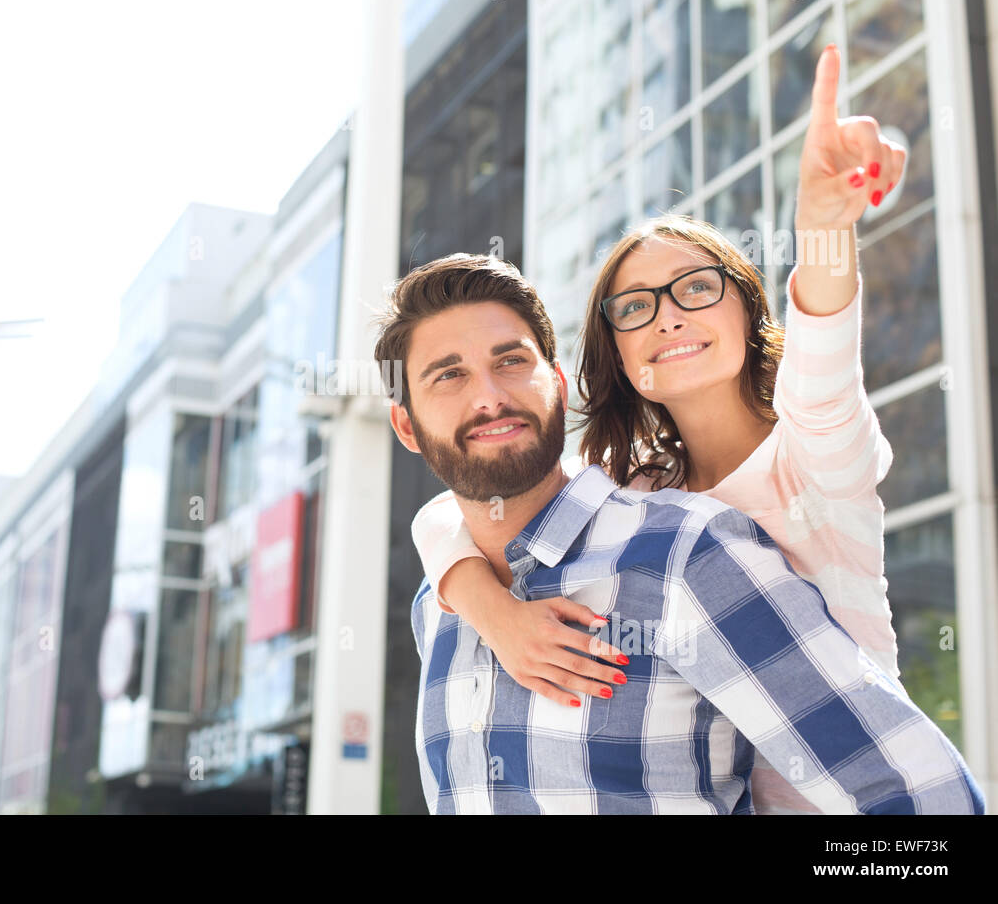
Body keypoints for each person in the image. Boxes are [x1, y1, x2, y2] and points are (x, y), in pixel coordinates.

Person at [409, 44, 909, 813]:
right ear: (620, 355)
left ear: (747, 307)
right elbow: (457, 505)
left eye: (696, 288)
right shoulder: (641, 495)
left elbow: (827, 341)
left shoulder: (815, 449)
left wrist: (823, 223)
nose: (668, 313)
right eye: (635, 306)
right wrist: (497, 615)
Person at [374, 252, 984, 814]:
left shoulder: (685, 553)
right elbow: (441, 521)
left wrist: (827, 220)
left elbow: (922, 795)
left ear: (558, 384)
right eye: (447, 376)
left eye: (511, 361)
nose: (489, 397)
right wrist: (478, 597)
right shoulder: (441, 604)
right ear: (406, 425)